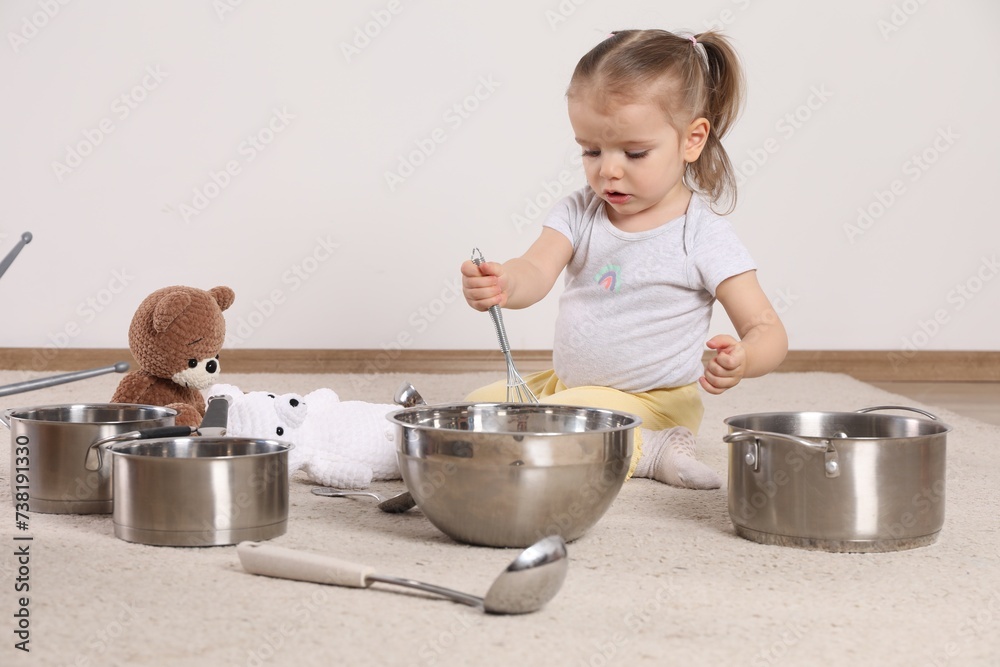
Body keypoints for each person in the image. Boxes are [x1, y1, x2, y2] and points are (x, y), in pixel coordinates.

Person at [460, 29, 787, 489]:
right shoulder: (579, 211)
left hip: (655, 401)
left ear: (692, 140)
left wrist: (744, 357)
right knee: (472, 411)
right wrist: (504, 282)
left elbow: (768, 330)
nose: (607, 169)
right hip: (568, 388)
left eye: (634, 152)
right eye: (590, 150)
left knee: (563, 426)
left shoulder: (703, 234)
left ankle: (654, 448)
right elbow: (536, 269)